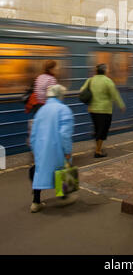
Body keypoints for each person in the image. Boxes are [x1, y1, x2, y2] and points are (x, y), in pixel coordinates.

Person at [30, 84, 74, 213]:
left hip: (41, 149)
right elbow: (65, 134)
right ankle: (63, 197)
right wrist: (67, 151)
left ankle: (36, 203)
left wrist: (35, 150)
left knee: (39, 172)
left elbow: (33, 133)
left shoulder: (41, 110)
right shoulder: (64, 109)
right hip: (57, 149)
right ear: (60, 95)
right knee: (63, 170)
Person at [80, 64, 126, 159]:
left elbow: (82, 90)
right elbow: (115, 94)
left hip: (92, 109)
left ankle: (98, 147)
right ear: (105, 71)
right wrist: (121, 105)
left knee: (97, 129)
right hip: (104, 110)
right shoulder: (107, 81)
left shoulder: (90, 80)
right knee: (102, 130)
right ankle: (98, 151)